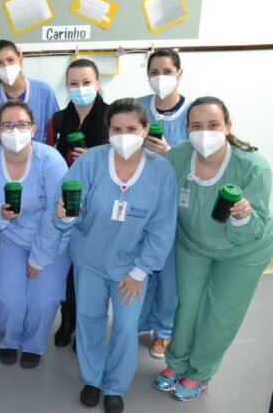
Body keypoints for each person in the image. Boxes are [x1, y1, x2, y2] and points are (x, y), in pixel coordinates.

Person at [53, 98, 178, 413]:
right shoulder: (91, 162)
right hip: (90, 259)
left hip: (131, 266)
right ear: (107, 131)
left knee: (124, 327)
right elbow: (66, 206)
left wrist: (140, 272)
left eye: (131, 129)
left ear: (145, 130)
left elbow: (163, 227)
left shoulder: (161, 172)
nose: (124, 135)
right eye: (116, 129)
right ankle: (93, 379)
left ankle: (115, 386)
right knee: (89, 319)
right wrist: (64, 216)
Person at [153, 97, 272, 402]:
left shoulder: (253, 166)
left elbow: (255, 227)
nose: (204, 132)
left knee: (219, 313)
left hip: (244, 250)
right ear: (186, 129)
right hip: (194, 243)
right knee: (188, 304)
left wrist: (242, 216)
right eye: (196, 126)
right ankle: (177, 363)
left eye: (213, 125)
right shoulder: (178, 157)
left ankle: (200, 372)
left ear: (227, 127)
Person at [0, 100, 70, 368]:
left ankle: (33, 344)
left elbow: (56, 212)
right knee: (8, 298)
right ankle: (9, 340)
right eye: (7, 125)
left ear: (33, 129)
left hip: (52, 239)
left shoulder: (50, 160)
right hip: (8, 238)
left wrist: (39, 257)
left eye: (21, 124)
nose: (14, 130)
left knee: (44, 299)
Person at [45, 58, 110, 348]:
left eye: (86, 82)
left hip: (100, 203)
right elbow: (49, 156)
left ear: (98, 84)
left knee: (91, 269)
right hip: (66, 202)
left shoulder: (111, 117)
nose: (80, 88)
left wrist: (94, 159)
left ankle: (87, 326)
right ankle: (67, 319)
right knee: (68, 267)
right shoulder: (59, 119)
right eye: (73, 83)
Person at [137, 48, 192, 359]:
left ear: (179, 74)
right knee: (140, 264)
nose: (161, 78)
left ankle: (164, 330)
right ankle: (141, 320)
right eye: (154, 72)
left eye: (167, 71)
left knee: (169, 273)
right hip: (141, 199)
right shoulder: (138, 107)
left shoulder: (192, 113)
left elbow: (200, 160)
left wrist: (170, 154)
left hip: (175, 202)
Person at [0, 39, 59, 149]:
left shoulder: (44, 91)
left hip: (39, 156)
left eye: (10, 60)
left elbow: (56, 131)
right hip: (3, 157)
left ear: (20, 60)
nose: (6, 66)